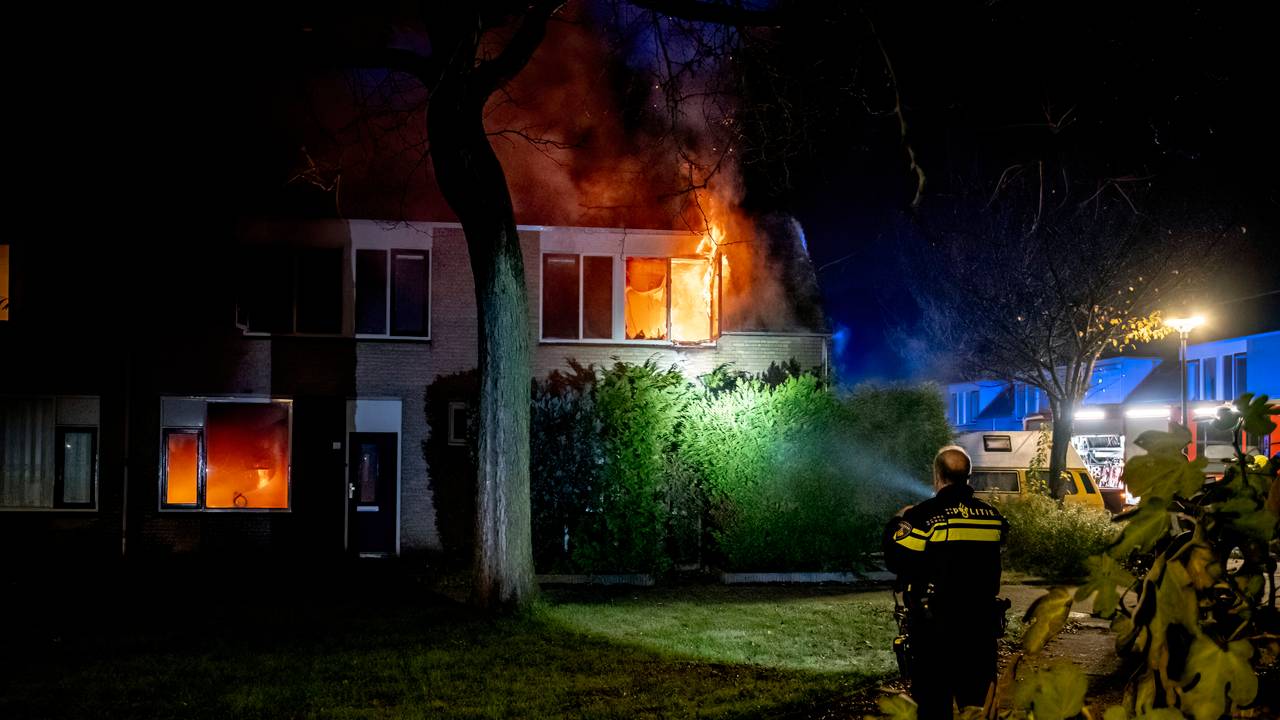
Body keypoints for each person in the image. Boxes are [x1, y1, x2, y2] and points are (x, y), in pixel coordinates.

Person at [883, 445, 1009, 720]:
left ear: (937, 476)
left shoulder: (923, 517)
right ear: (969, 476)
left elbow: (896, 558)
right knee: (977, 706)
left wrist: (897, 520)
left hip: (935, 632)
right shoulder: (992, 517)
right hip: (980, 629)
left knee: (933, 705)